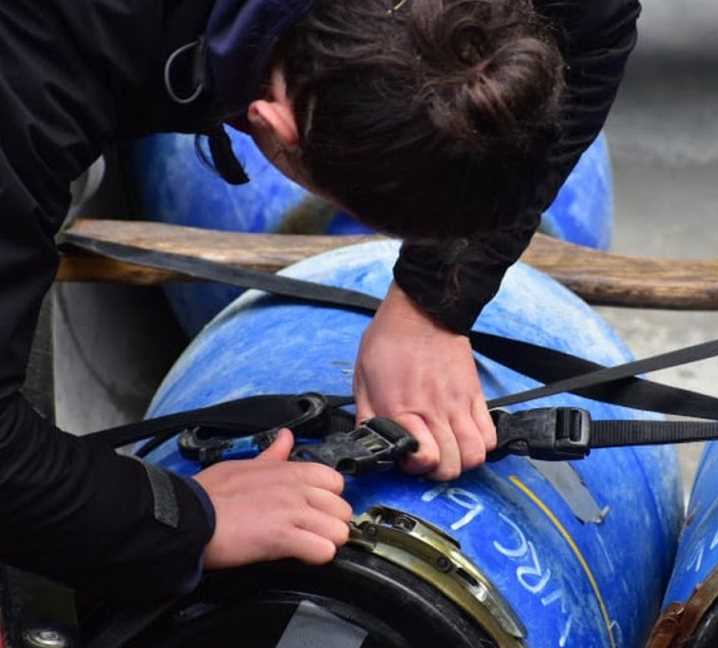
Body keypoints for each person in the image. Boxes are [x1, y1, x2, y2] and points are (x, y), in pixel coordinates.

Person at [0, 0, 639, 603]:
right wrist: (187, 522)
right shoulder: (33, 82)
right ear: (273, 125)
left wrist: (435, 298)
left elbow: (596, 23)